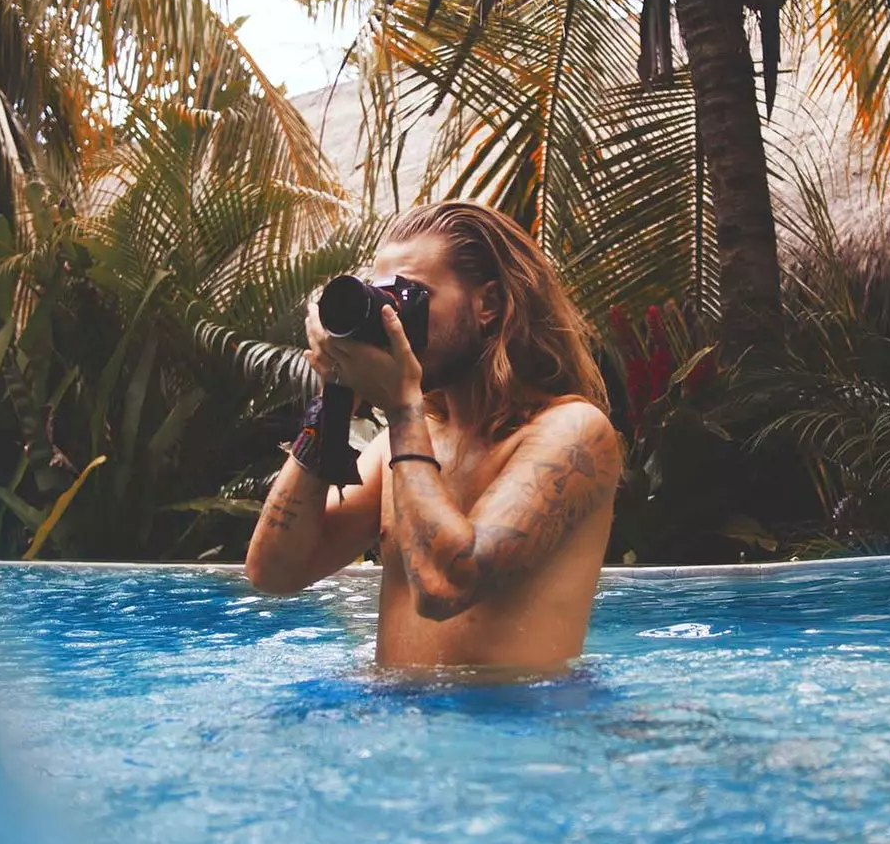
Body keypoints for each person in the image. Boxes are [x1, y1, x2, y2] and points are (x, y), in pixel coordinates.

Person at [245, 201, 623, 672]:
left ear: (489, 305)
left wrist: (403, 408)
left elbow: (446, 588)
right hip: (400, 728)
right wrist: (334, 396)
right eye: (384, 299)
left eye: (411, 298)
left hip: (517, 733)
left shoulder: (572, 433)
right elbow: (274, 572)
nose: (394, 322)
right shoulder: (402, 447)